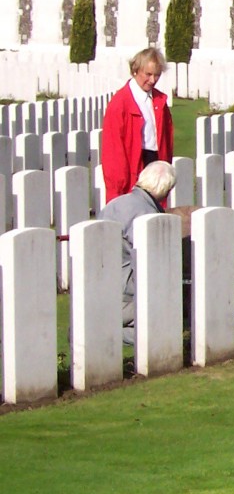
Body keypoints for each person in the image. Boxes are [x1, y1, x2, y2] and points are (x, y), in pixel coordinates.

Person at [97, 160, 176, 345]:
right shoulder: (146, 214)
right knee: (164, 330)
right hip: (125, 297)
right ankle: (103, 336)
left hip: (98, 289)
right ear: (166, 189)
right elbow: (143, 264)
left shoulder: (114, 204)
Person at [101, 47, 174, 206]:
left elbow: (166, 141)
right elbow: (113, 148)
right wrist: (119, 185)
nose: (153, 80)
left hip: (154, 163)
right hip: (131, 164)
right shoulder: (120, 103)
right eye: (148, 74)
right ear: (135, 70)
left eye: (157, 75)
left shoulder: (159, 101)